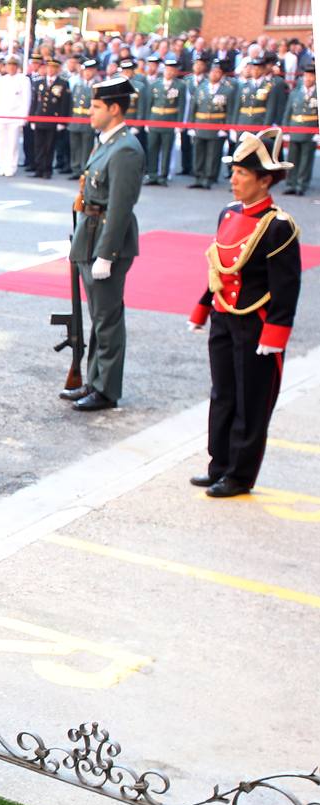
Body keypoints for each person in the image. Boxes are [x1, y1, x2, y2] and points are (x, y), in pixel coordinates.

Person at [187, 129, 301, 498]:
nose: (233, 180)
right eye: (233, 171)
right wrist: (203, 306)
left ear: (265, 180)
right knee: (223, 393)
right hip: (224, 316)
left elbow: (286, 288)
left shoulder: (278, 226)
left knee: (251, 400)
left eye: (242, 174)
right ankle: (218, 464)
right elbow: (219, 267)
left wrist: (275, 336)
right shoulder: (228, 213)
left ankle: (239, 475)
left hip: (256, 323)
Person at [64, 77, 144, 412]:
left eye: (97, 106)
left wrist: (106, 255)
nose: (90, 111)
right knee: (97, 315)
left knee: (107, 318)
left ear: (114, 108)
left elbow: (121, 206)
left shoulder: (125, 148)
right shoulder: (108, 142)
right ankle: (94, 380)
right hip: (91, 233)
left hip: (106, 241)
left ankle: (106, 389)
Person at [187, 58, 236, 189]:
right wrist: (191, 124)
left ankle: (209, 177)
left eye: (218, 72)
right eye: (213, 72)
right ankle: (198, 176)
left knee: (213, 153)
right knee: (198, 151)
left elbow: (229, 111)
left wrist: (226, 128)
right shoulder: (201, 88)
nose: (215, 75)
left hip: (217, 124)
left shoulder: (227, 90)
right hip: (200, 123)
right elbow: (193, 107)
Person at [143, 56, 185, 185]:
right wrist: (146, 121)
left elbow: (182, 105)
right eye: (167, 69)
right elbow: (148, 104)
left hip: (169, 120)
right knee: (152, 148)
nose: (169, 72)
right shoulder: (155, 84)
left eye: (172, 70)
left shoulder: (180, 86)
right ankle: (152, 174)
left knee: (167, 149)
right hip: (155, 119)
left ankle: (163, 175)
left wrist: (179, 123)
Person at [30, 56, 70, 179]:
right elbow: (35, 102)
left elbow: (64, 103)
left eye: (54, 67)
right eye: (49, 67)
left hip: (53, 119)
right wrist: (32, 117)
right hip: (39, 118)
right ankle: (39, 168)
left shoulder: (62, 83)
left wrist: (62, 121)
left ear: (57, 69)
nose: (51, 70)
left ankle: (47, 169)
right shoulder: (39, 82)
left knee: (49, 145)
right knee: (38, 145)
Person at [0, 56, 30, 177]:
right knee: (1, 142)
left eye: (13, 65)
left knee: (13, 143)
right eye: (9, 65)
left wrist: (24, 117)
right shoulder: (1, 80)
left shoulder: (23, 80)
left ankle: (11, 166)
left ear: (17, 67)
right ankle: (1, 165)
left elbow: (26, 99)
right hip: (1, 115)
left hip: (15, 116)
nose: (11, 67)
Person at [282, 62, 316, 196]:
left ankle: (302, 184)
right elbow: (288, 112)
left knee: (306, 159)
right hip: (295, 127)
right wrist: (285, 130)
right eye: (306, 75)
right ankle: (291, 183)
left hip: (310, 130)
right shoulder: (295, 93)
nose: (308, 78)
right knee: (292, 158)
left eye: (311, 76)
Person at [67, 59, 98, 180]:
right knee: (75, 146)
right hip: (75, 119)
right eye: (85, 71)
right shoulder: (78, 85)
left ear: (94, 71)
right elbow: (71, 104)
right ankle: (75, 168)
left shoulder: (96, 87)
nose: (87, 73)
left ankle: (84, 169)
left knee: (86, 147)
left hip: (88, 120)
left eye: (89, 71)